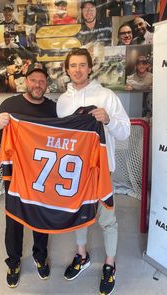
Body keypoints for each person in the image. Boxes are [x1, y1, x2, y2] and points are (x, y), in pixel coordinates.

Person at [57, 47, 130, 295]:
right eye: (73, 65)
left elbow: (125, 132)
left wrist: (108, 119)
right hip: (75, 172)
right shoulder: (63, 101)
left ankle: (110, 264)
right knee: (78, 214)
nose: (77, 70)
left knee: (107, 219)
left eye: (82, 65)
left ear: (90, 68)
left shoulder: (107, 95)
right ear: (67, 69)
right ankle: (82, 256)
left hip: (101, 170)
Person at [0, 62, 57, 288]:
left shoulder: (53, 108)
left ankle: (40, 255)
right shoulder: (9, 104)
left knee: (41, 216)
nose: (38, 85)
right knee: (14, 219)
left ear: (46, 84)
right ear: (26, 82)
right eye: (33, 80)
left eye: (42, 81)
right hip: (16, 174)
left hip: (42, 176)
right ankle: (14, 261)